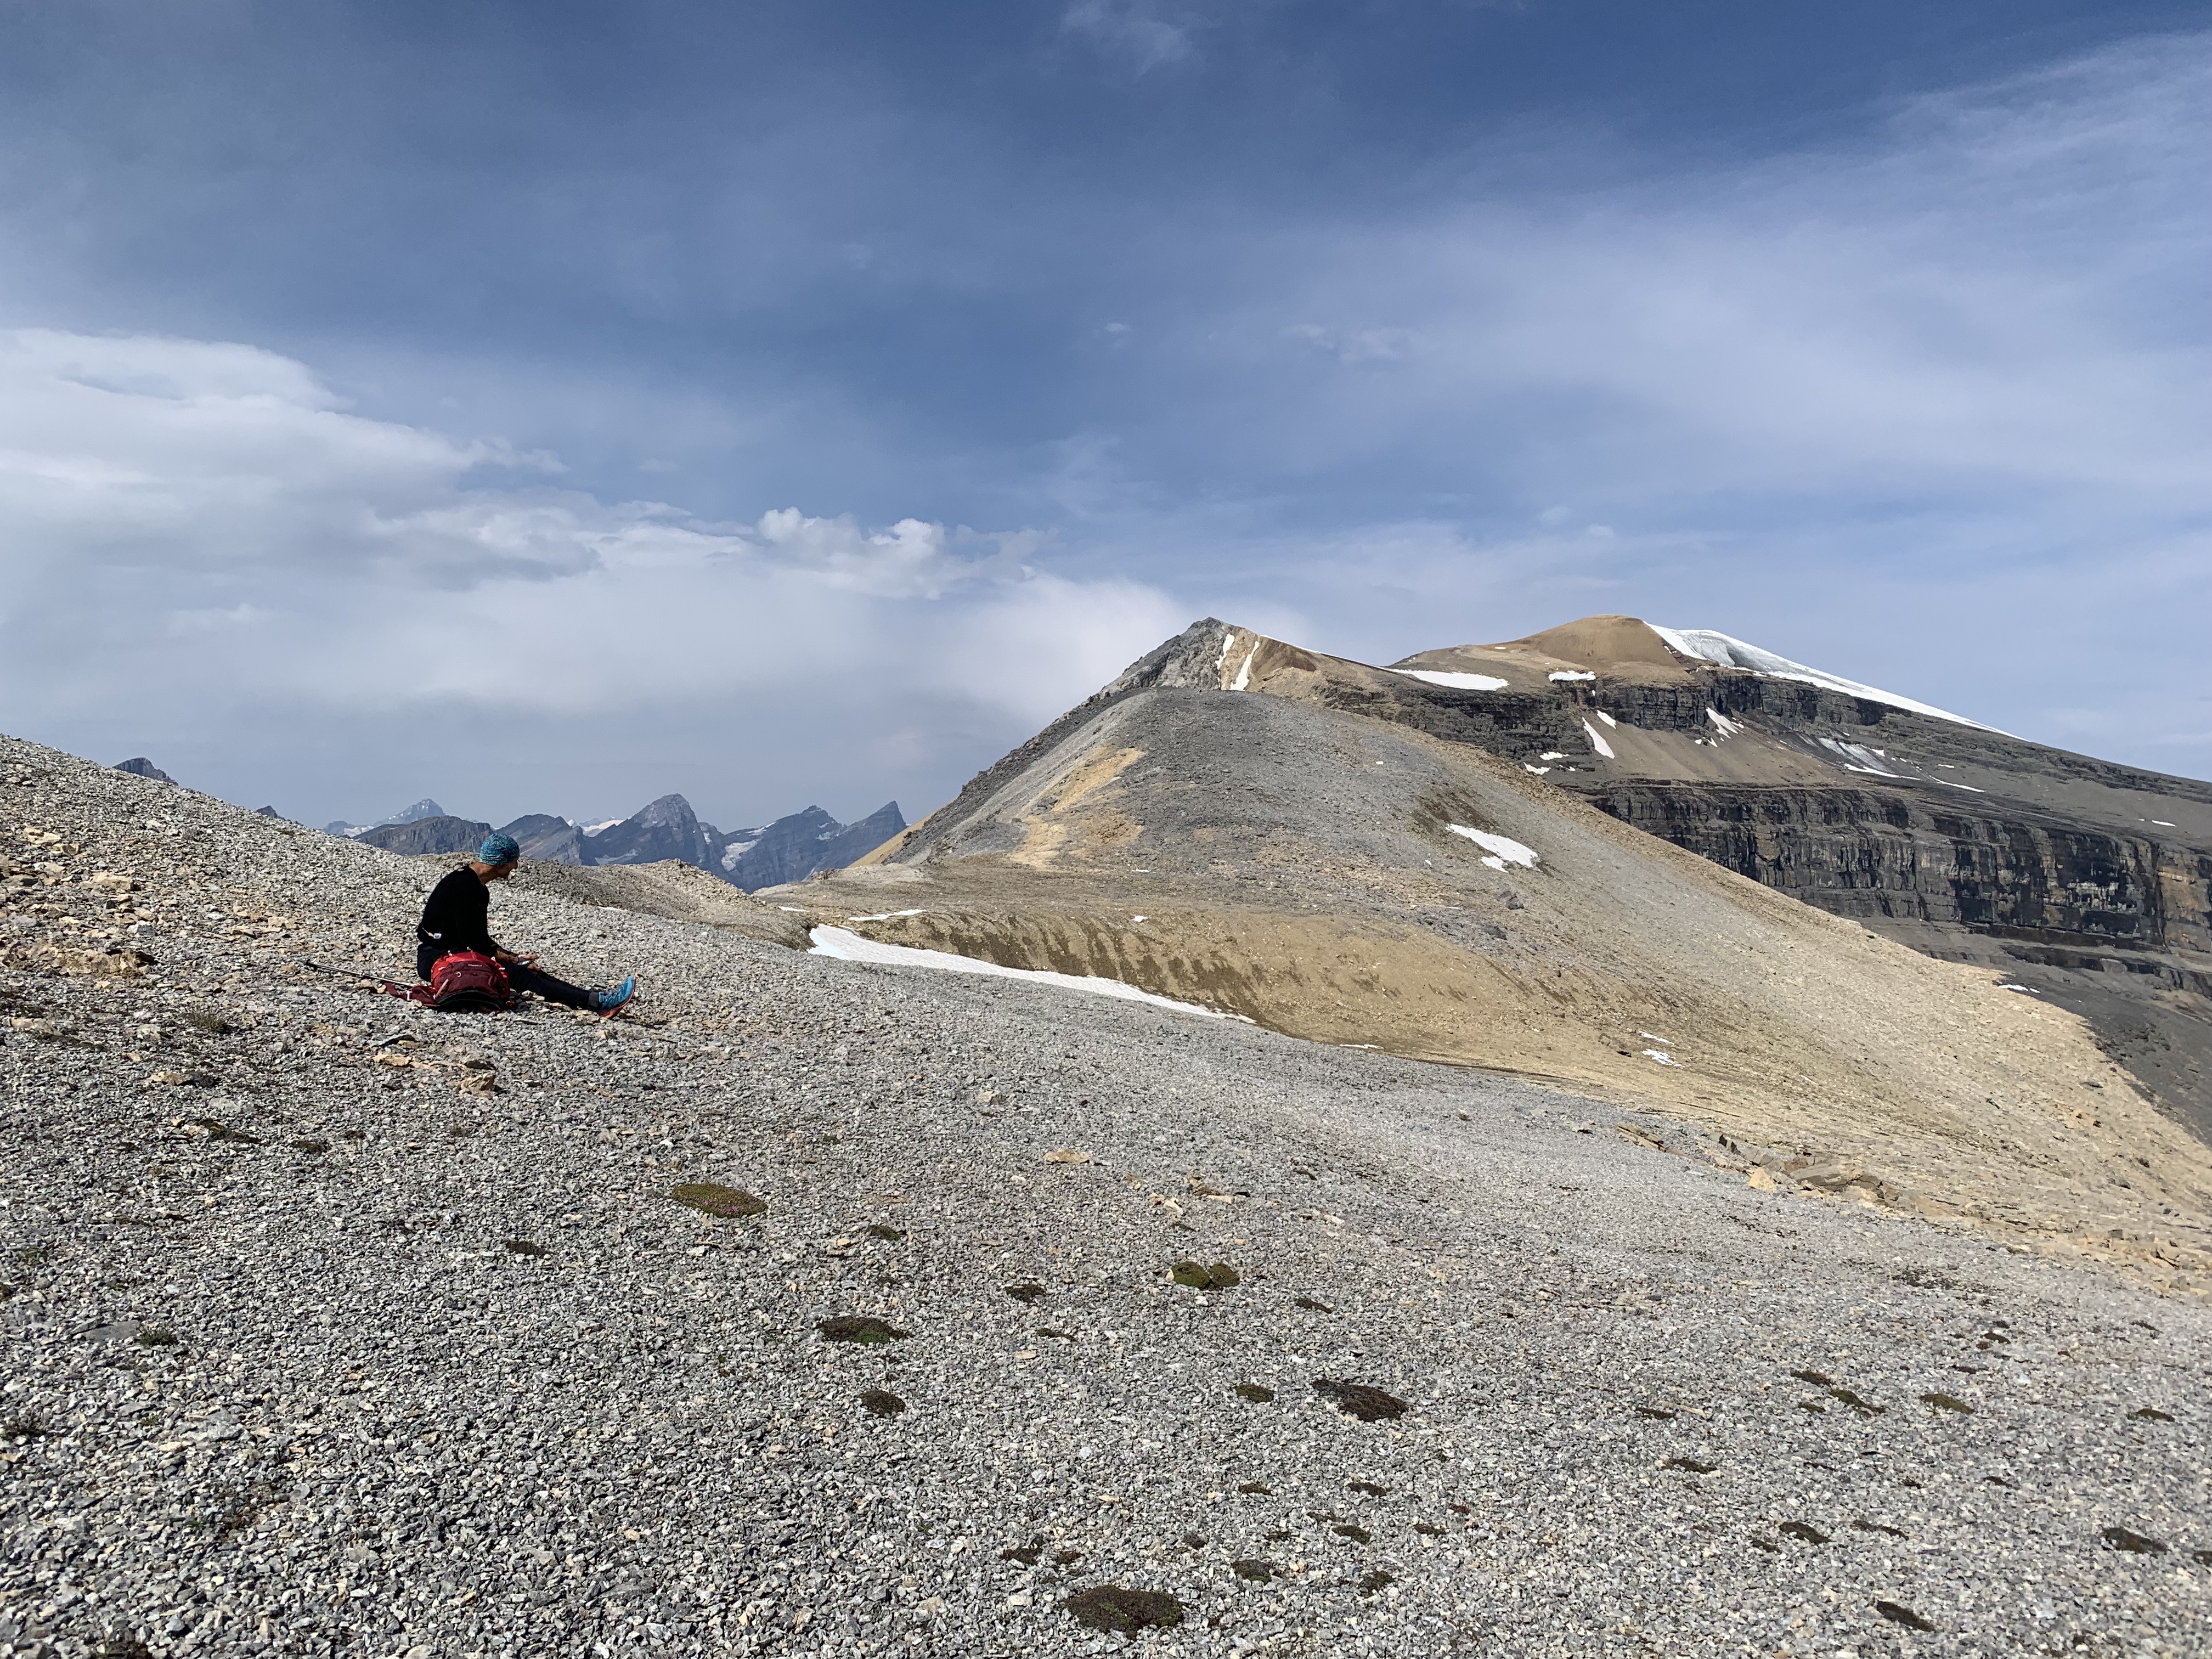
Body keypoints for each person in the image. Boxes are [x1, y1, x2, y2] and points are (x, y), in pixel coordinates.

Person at [416, 831, 636, 1013]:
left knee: (528, 971)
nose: (516, 866)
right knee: (523, 976)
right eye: (513, 861)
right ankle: (599, 1003)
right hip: (438, 958)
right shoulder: (466, 888)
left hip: (454, 952)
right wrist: (513, 960)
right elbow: (473, 940)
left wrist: (514, 958)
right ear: (499, 862)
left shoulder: (475, 886)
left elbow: (479, 939)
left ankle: (595, 999)